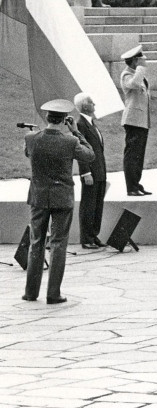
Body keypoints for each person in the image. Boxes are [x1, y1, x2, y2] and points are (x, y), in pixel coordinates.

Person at [22, 99, 94, 304]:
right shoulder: (70, 141)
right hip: (62, 197)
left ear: (46, 117)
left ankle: (31, 292)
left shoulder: (31, 138)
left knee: (36, 243)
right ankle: (53, 293)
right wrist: (76, 132)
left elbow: (28, 153)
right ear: (65, 120)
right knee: (58, 244)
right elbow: (90, 155)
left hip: (38, 196)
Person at [73, 92, 107, 249]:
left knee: (97, 204)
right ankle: (86, 238)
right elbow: (80, 148)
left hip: (99, 171)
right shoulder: (81, 125)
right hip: (91, 172)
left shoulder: (91, 124)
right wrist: (85, 172)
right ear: (84, 106)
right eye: (92, 102)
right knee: (89, 205)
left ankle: (94, 234)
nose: (95, 105)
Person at [120, 45, 152, 197]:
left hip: (142, 120)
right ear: (134, 61)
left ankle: (136, 183)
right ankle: (131, 187)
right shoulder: (127, 74)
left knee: (139, 155)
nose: (144, 61)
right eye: (140, 59)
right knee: (132, 154)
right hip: (133, 120)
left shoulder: (138, 75)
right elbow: (132, 84)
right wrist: (139, 69)